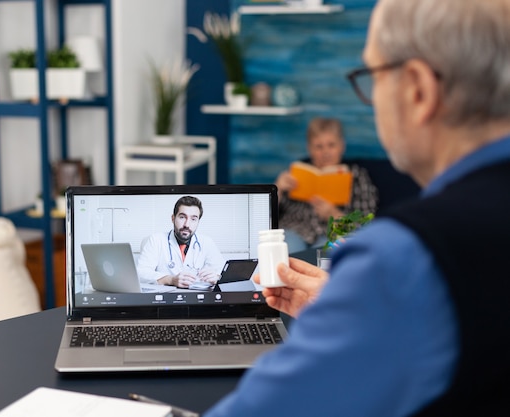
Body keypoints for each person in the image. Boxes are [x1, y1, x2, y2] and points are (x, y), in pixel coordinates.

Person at [204, 0, 510, 416]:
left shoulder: (402, 259)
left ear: (418, 89)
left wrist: (365, 300)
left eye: (371, 76)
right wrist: (345, 304)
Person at [275, 117, 378, 252]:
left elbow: (368, 224)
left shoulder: (358, 176)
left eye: (331, 145)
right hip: (295, 230)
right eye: (319, 147)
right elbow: (267, 216)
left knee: (328, 250)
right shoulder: (298, 172)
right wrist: (278, 188)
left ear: (342, 146)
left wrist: (334, 214)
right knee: (288, 248)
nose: (325, 152)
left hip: (334, 231)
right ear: (309, 148)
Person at [137, 196, 225, 288]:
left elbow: (223, 272)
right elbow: (141, 274)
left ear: (198, 221)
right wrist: (171, 279)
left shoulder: (206, 242)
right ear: (173, 218)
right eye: (182, 217)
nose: (187, 224)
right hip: (166, 298)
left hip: (198, 298)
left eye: (193, 219)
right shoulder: (156, 240)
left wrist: (217, 277)